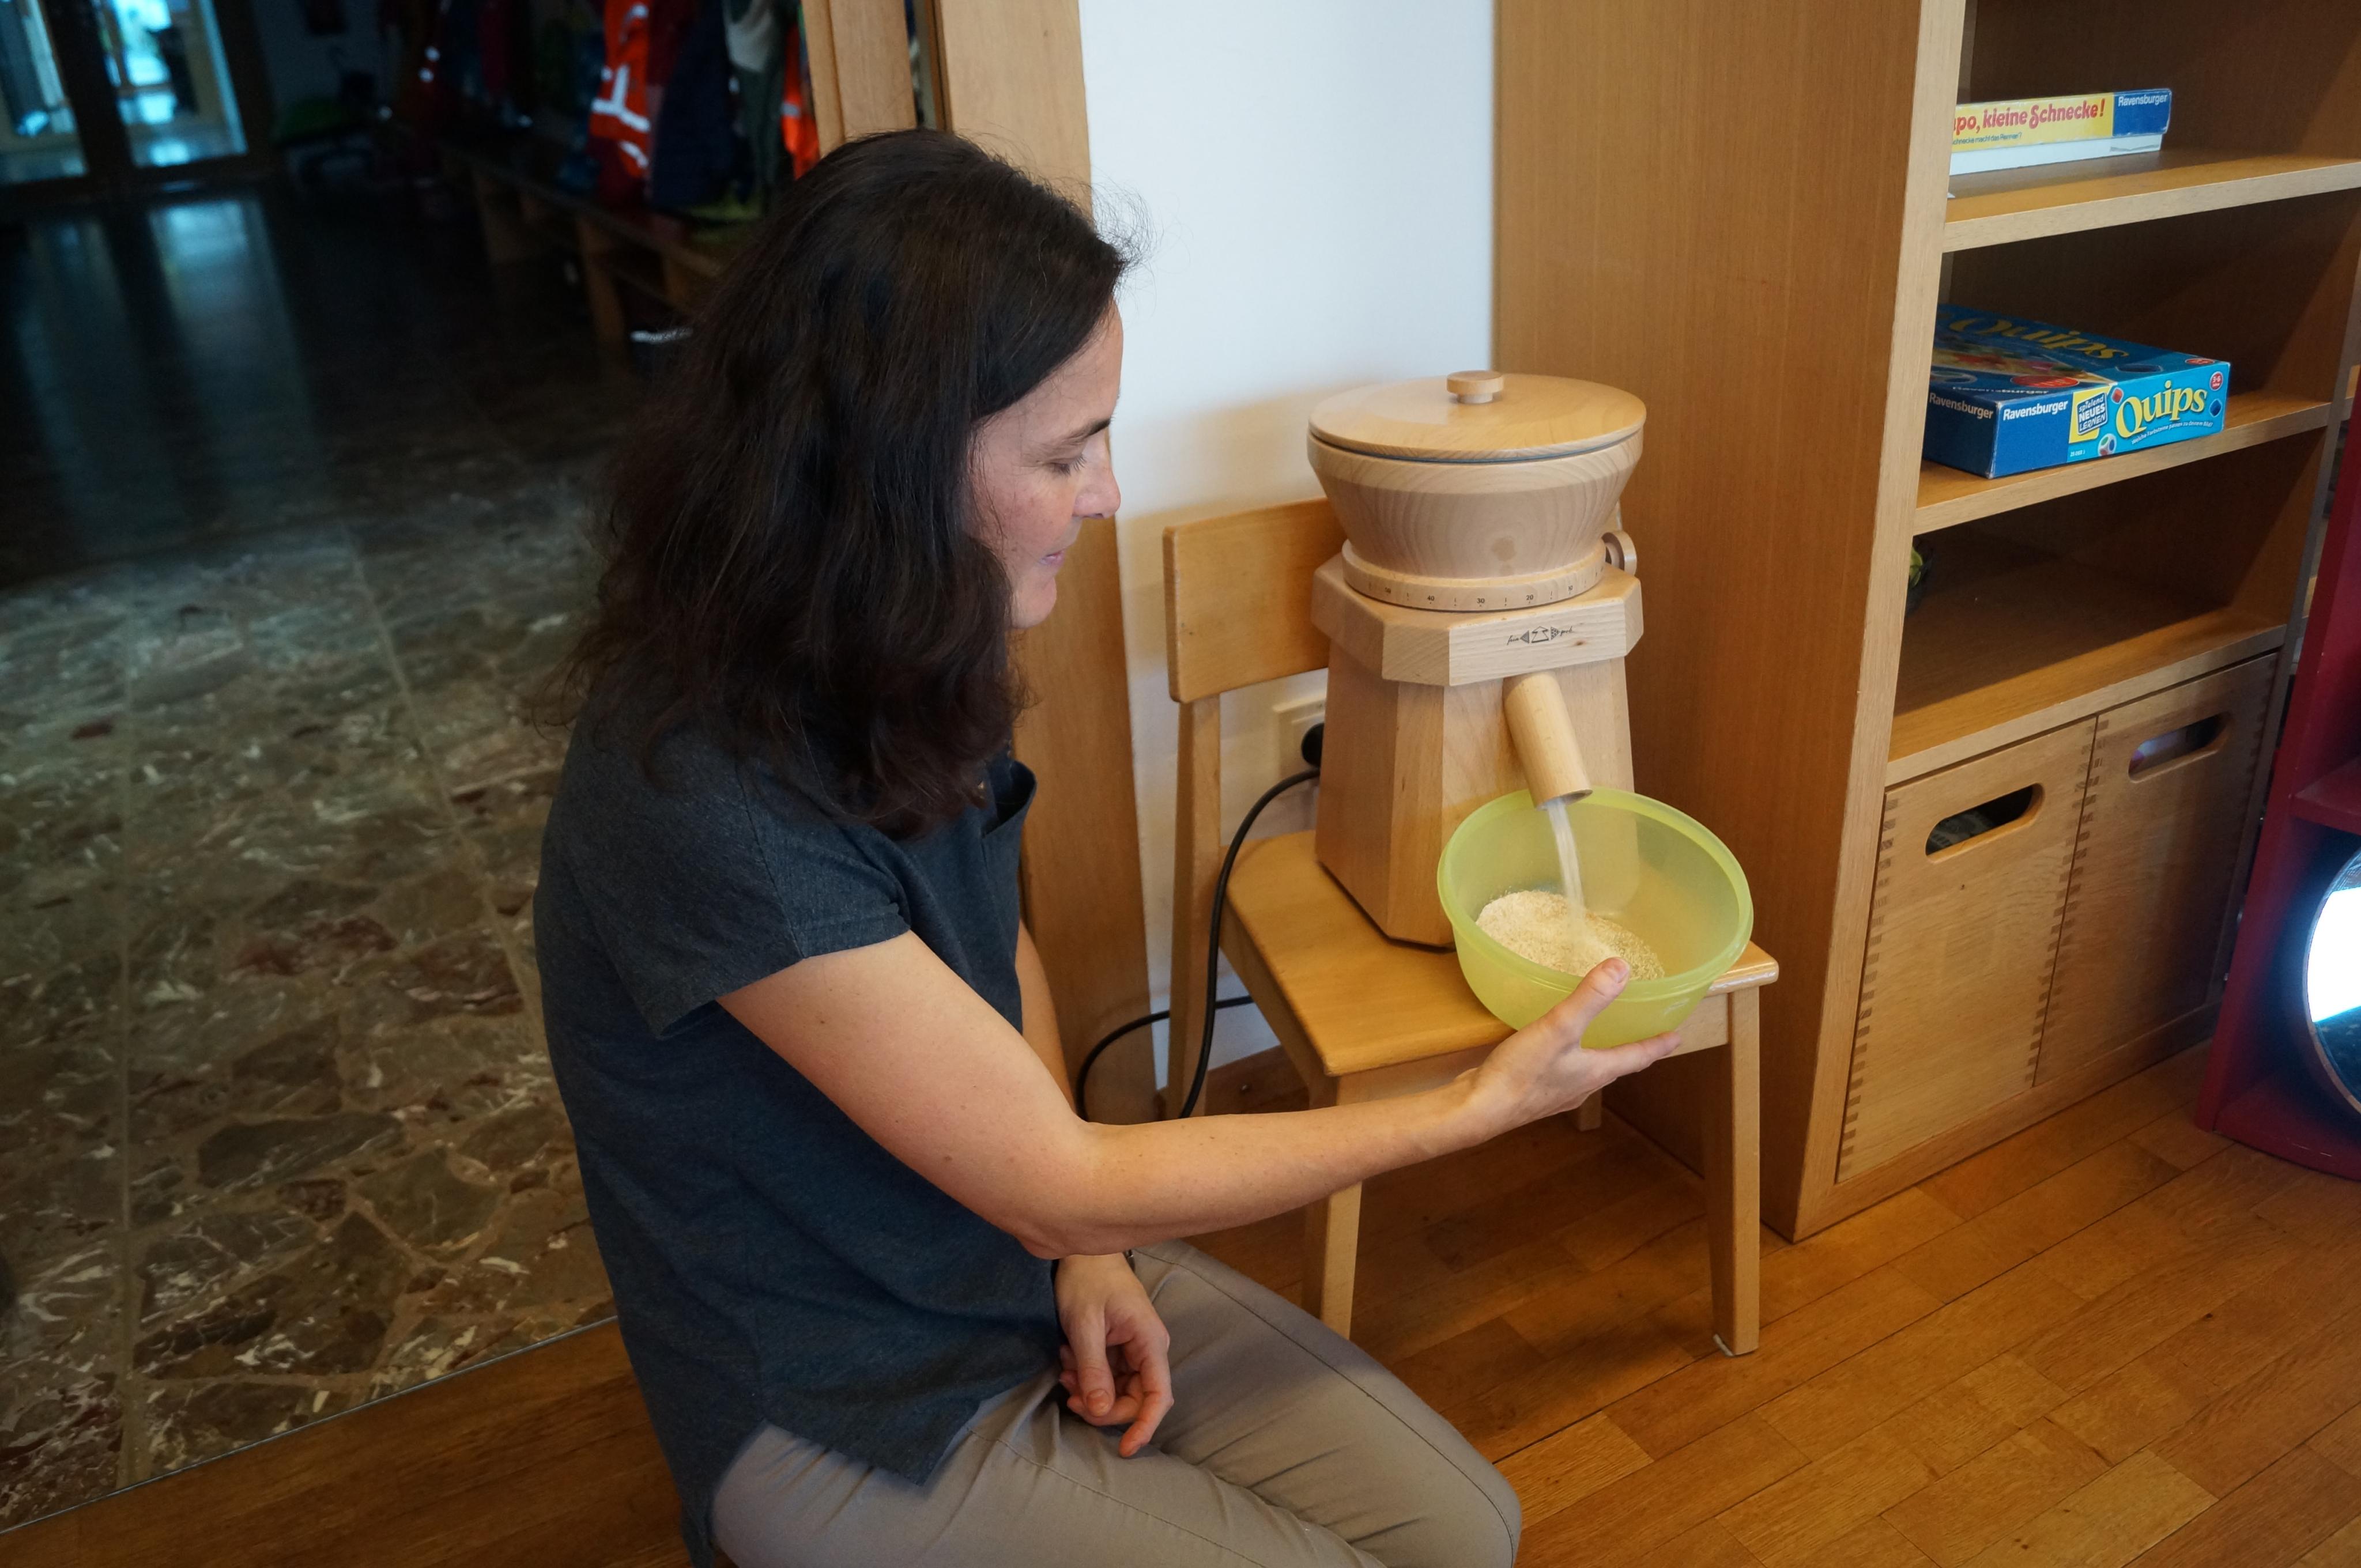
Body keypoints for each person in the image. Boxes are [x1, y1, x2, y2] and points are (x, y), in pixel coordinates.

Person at [535, 129, 1682, 1568]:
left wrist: (1082, 1251)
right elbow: (1050, 1173)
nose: (1109, 491)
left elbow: (989, 933)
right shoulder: (698, 797)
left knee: (1467, 1531)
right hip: (837, 1397)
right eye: (1065, 452)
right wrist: (1468, 1106)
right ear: (888, 465)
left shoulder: (899, 631)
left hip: (1003, 1253)